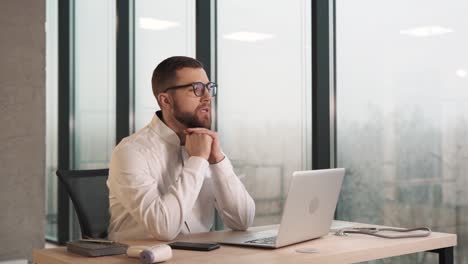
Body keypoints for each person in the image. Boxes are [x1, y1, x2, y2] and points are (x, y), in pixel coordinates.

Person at [107, 56, 255, 241]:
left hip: (200, 256)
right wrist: (198, 161)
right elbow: (164, 229)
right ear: (166, 100)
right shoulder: (130, 152)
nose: (207, 97)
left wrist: (218, 161)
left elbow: (243, 221)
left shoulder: (206, 145)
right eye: (197, 89)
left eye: (209, 88)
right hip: (141, 258)